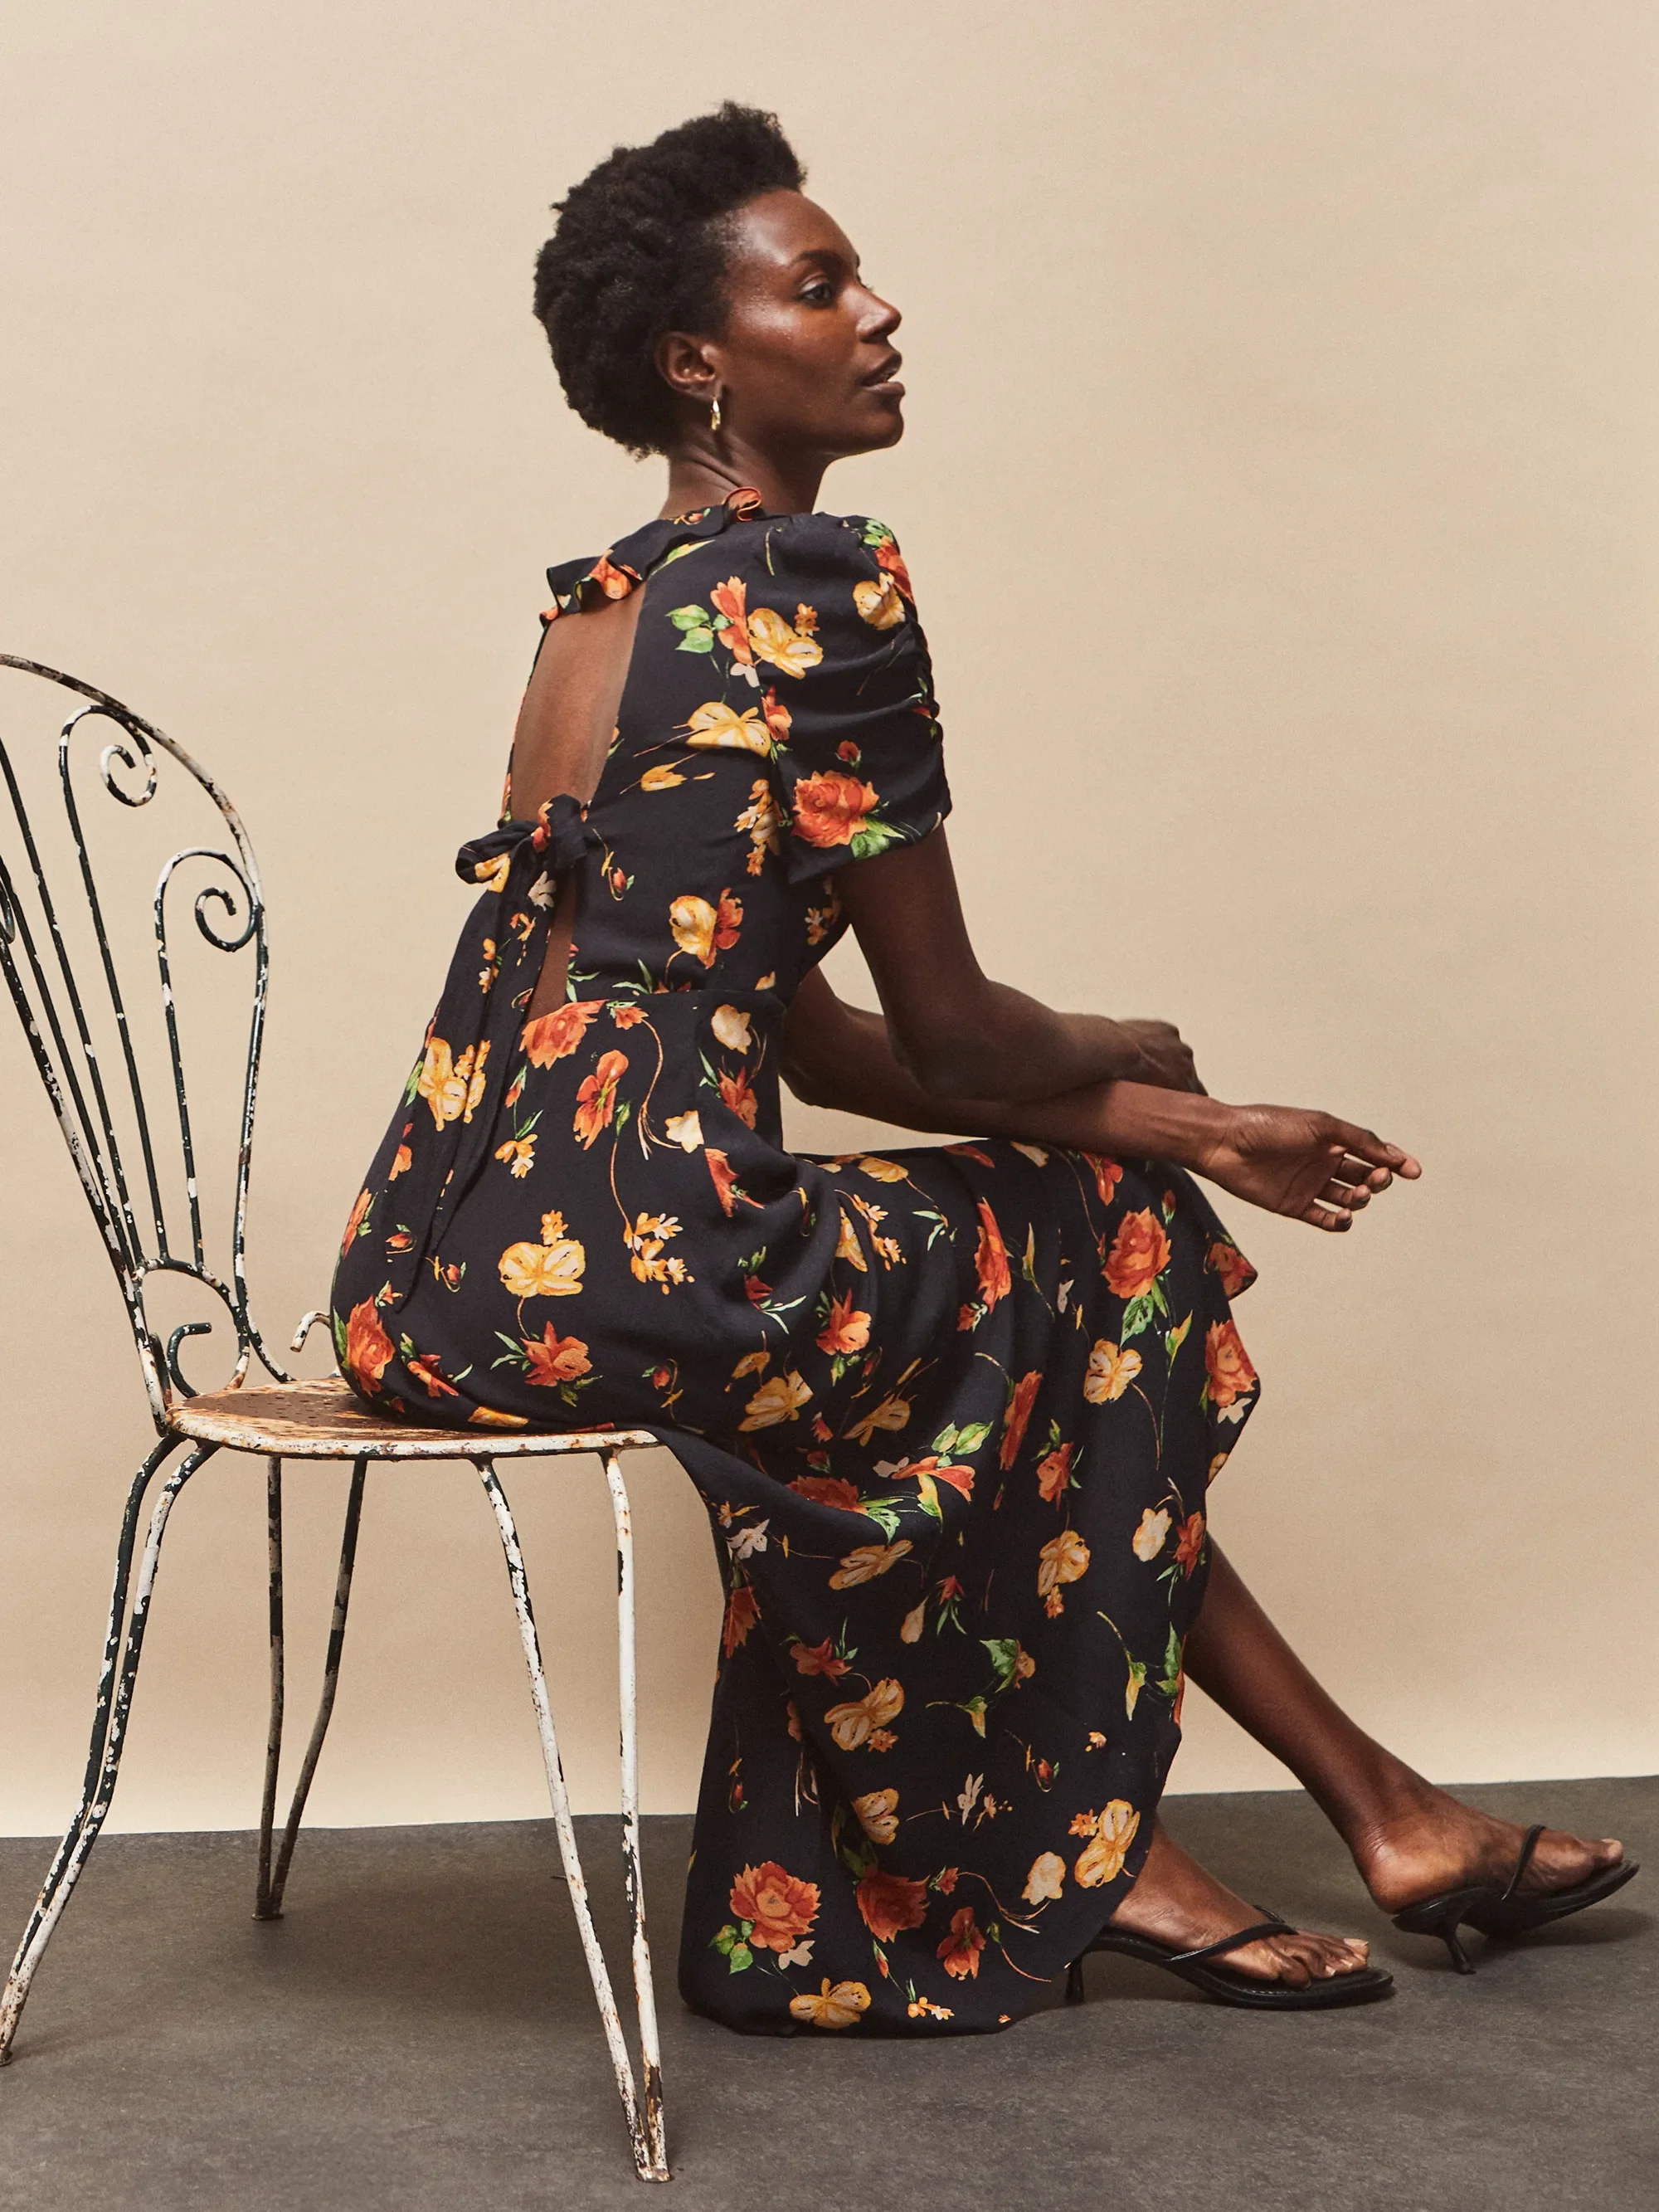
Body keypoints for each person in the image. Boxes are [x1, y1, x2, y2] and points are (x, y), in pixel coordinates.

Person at [331, 104, 1632, 2034]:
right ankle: (1169, 1842)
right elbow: (951, 1031)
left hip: (435, 1271)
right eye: (820, 285)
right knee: (1107, 1248)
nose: (879, 314)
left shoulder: (601, 605)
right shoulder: (814, 583)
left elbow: (811, 1043)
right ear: (695, 358)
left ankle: (1364, 1816)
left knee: (1054, 1270)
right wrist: (1148, 1077)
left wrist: (1186, 1124)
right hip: (650, 1264)